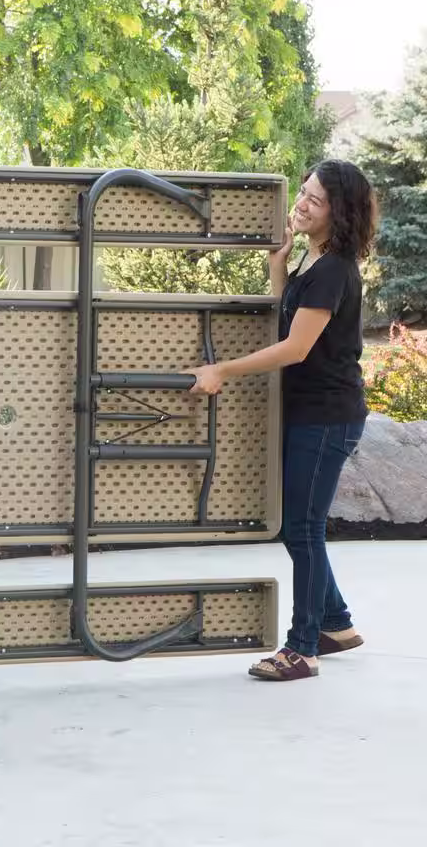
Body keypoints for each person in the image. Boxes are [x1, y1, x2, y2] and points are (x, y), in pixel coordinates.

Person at [184, 160, 377, 682]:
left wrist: (221, 369)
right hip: (312, 414)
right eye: (305, 193)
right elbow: (286, 319)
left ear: (339, 211)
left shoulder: (334, 269)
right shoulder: (314, 265)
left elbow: (294, 348)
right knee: (300, 529)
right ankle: (335, 625)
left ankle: (302, 649)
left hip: (327, 417)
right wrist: (278, 268)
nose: (304, 203)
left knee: (304, 530)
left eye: (316, 198)